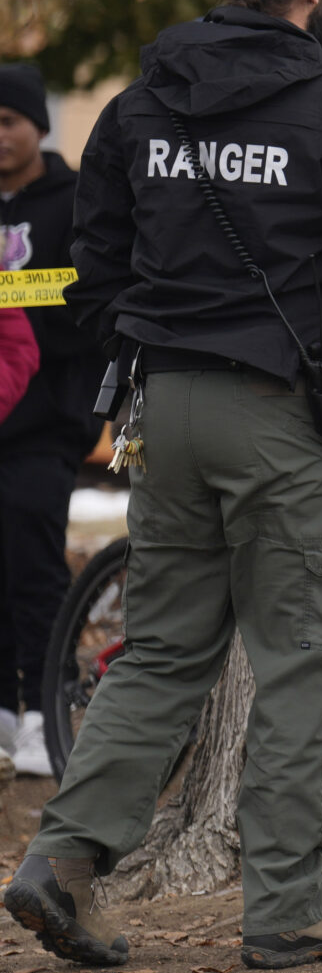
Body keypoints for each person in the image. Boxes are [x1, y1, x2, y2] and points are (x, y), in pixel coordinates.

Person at [4, 0, 322, 972]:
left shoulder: (144, 102)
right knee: (300, 659)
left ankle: (62, 859)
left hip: (167, 407)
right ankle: (285, 904)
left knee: (160, 655)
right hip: (286, 413)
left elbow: (95, 260)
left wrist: (138, 348)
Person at [0, 63, 106, 779]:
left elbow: (91, 304)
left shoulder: (73, 203)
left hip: (46, 420)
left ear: (38, 124)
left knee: (34, 556)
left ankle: (45, 708)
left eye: (9, 120)